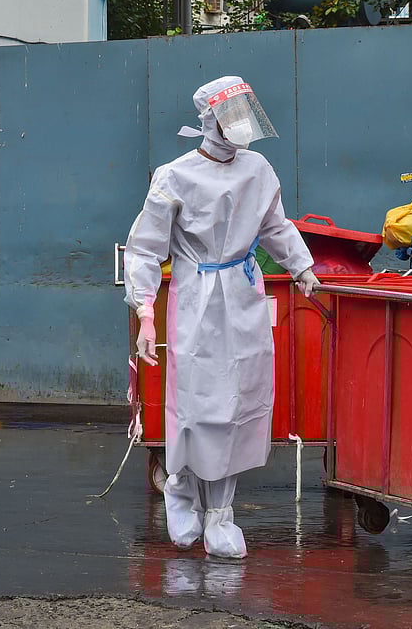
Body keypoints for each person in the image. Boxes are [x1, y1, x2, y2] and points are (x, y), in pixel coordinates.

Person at [123, 76, 319, 559]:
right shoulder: (175, 176)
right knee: (197, 402)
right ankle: (181, 490)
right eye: (231, 115)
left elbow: (275, 223)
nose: (241, 125)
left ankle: (221, 514)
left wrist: (302, 266)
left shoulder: (258, 170)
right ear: (209, 121)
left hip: (243, 293)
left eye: (244, 114)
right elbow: (145, 248)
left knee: (238, 403)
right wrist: (146, 311)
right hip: (196, 298)